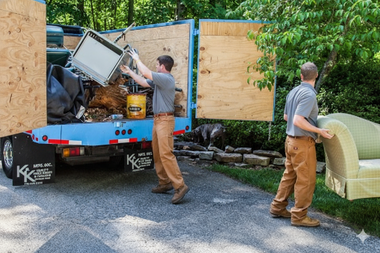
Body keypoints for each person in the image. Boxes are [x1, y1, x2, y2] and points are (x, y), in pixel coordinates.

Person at [269, 62, 334, 227]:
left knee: (289, 176)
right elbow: (298, 120)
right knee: (306, 180)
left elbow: (287, 117)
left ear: (301, 76)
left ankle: (278, 207)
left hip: (290, 141)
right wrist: (318, 131)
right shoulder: (309, 95)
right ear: (317, 75)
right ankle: (299, 217)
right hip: (302, 144)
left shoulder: (293, 92)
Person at [120, 50, 189, 204]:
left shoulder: (166, 78)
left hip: (165, 121)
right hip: (158, 121)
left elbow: (145, 72)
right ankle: (164, 183)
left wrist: (137, 58)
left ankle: (180, 186)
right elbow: (143, 81)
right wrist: (130, 71)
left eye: (157, 64)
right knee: (157, 153)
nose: (156, 67)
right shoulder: (159, 80)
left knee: (166, 154)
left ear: (163, 66)